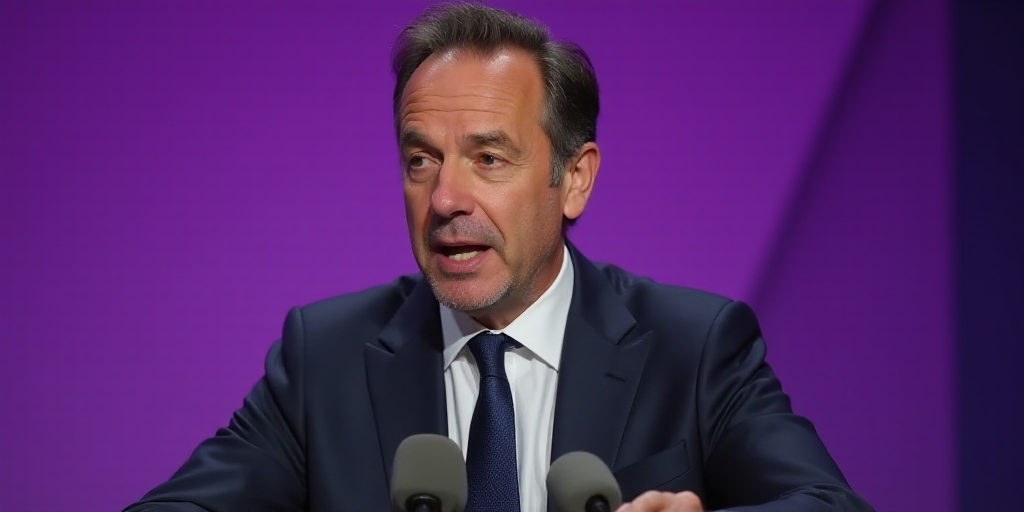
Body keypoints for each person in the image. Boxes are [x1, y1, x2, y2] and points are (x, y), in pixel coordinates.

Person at [125, 4, 872, 512]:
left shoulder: (696, 347)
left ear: (572, 178)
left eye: (488, 158)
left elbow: (828, 505)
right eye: (421, 160)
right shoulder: (324, 360)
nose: (445, 197)